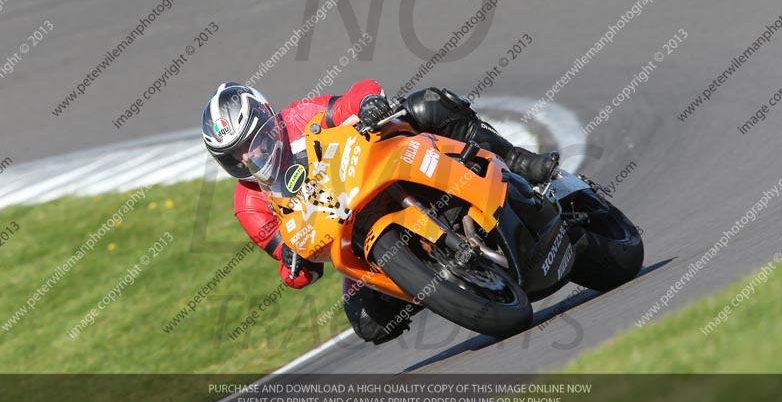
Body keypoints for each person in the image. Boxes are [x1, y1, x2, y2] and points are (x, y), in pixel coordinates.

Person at [201, 80, 559, 344]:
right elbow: (287, 255)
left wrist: (370, 103)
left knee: (426, 104)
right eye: (234, 155)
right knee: (366, 320)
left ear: (268, 118)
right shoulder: (248, 204)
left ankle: (516, 160)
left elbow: (353, 97)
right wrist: (294, 264)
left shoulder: (299, 117)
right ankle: (438, 283)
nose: (247, 157)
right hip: (351, 234)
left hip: (380, 174)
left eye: (250, 143)